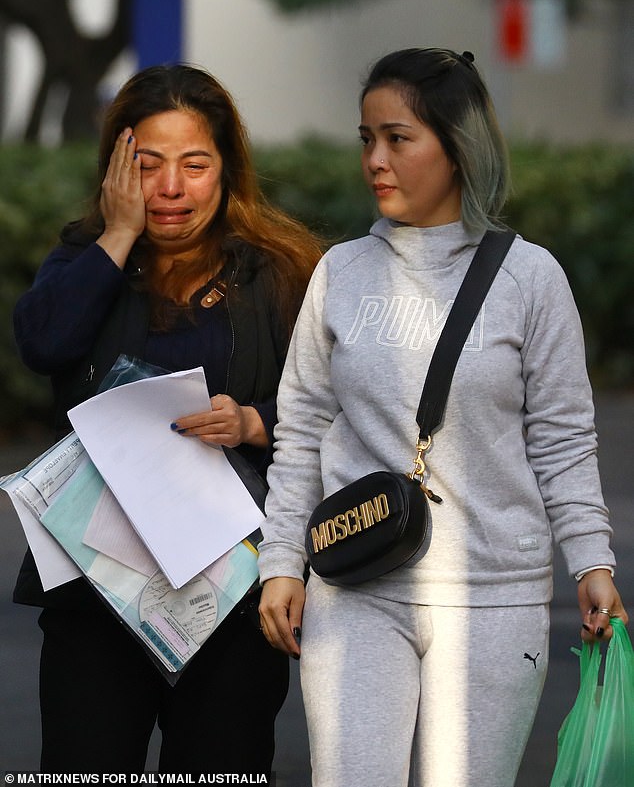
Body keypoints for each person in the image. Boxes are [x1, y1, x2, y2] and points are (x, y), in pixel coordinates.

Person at [257, 48, 629, 787]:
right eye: (367, 139)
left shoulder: (531, 277)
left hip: (493, 595)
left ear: (457, 149)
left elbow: (561, 438)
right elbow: (300, 430)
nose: (376, 160)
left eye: (399, 138)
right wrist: (279, 563)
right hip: (357, 585)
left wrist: (592, 561)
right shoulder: (341, 272)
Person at [13, 63, 321, 775]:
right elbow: (42, 343)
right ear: (116, 169)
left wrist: (252, 420)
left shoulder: (279, 273)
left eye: (195, 164)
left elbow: (332, 408)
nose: (172, 188)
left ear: (228, 169)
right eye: (148, 165)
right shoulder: (85, 261)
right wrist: (116, 237)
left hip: (231, 597)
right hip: (99, 584)